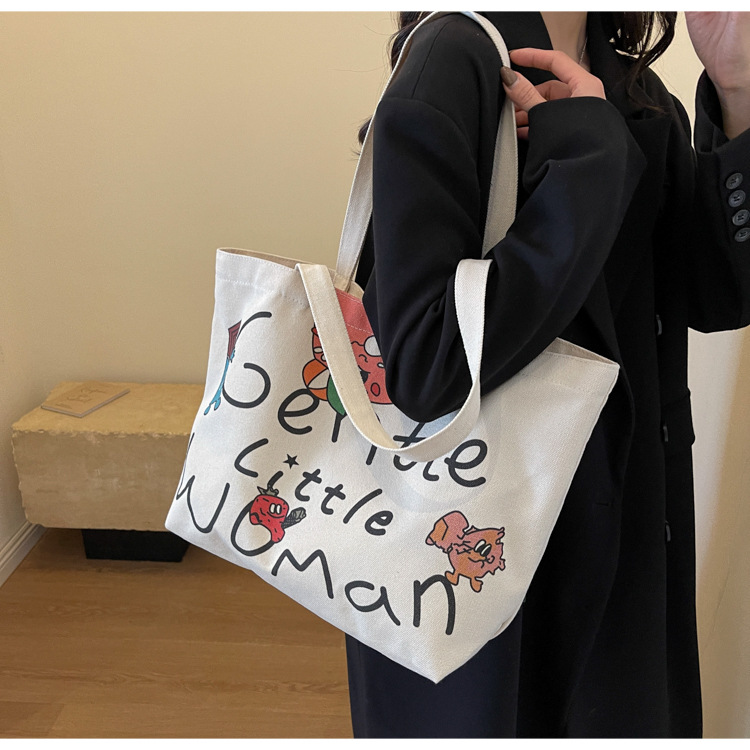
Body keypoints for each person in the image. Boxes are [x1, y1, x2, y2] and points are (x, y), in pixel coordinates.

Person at [344, 10, 750, 738]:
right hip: (486, 554)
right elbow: (425, 366)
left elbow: (714, 292)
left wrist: (738, 85)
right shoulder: (453, 59)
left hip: (624, 530)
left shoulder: (631, 82)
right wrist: (588, 153)